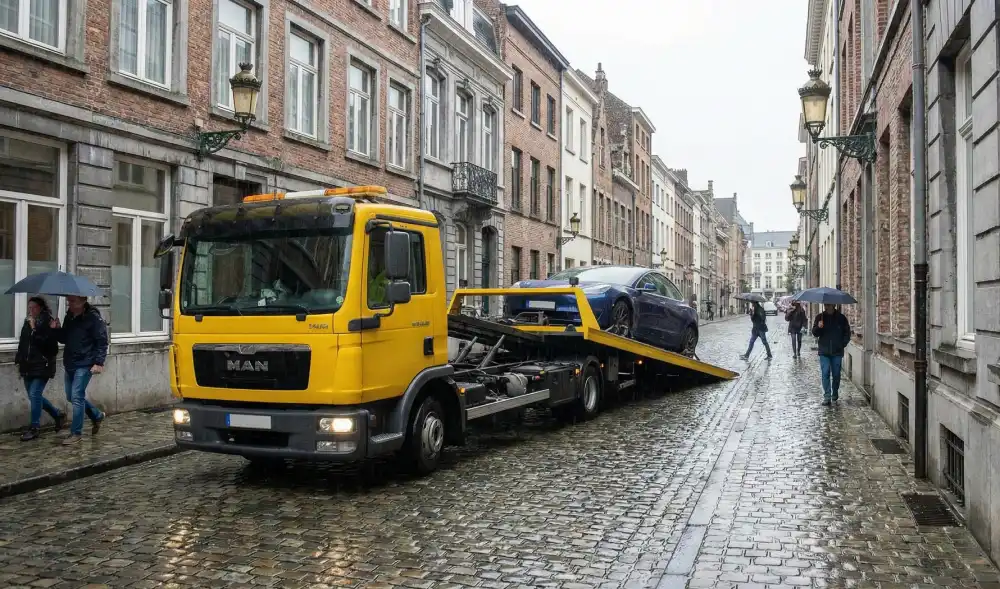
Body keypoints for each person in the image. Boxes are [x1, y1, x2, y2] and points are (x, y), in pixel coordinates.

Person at [49, 295, 107, 444]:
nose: (69, 303)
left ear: (83, 302)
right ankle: (97, 415)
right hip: (70, 362)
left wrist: (99, 362)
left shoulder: (93, 318)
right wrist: (56, 330)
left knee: (76, 396)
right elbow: (64, 338)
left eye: (72, 301)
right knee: (71, 396)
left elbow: (102, 341)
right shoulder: (69, 316)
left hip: (85, 363)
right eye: (69, 301)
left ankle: (76, 433)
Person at [14, 297, 65, 441]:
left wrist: (34, 329)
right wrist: (19, 359)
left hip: (43, 365)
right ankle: (57, 415)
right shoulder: (28, 321)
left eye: (33, 307)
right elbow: (23, 342)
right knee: (34, 396)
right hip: (27, 365)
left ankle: (35, 428)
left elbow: (50, 348)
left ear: (41, 307)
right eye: (29, 308)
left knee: (35, 394)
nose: (31, 310)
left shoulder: (48, 322)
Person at [812, 303, 852, 406]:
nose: (826, 306)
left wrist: (842, 344)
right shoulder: (820, 317)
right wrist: (819, 327)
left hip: (837, 351)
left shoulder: (841, 318)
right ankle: (827, 396)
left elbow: (847, 333)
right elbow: (815, 333)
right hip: (824, 351)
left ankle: (835, 392)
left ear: (833, 305)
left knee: (836, 374)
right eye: (825, 305)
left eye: (829, 305)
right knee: (825, 373)